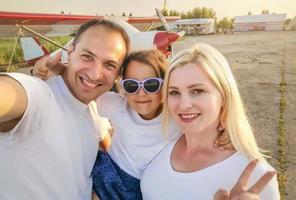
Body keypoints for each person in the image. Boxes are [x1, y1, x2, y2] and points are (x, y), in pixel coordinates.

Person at [0, 19, 130, 199]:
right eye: (87, 56)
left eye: (109, 65)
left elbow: (108, 150)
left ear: (117, 75)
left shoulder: (94, 110)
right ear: (70, 53)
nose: (94, 74)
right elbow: (9, 95)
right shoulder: (40, 95)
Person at [140, 43, 280, 200]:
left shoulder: (254, 176)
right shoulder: (161, 140)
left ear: (224, 96)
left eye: (198, 91)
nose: (184, 105)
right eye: (174, 92)